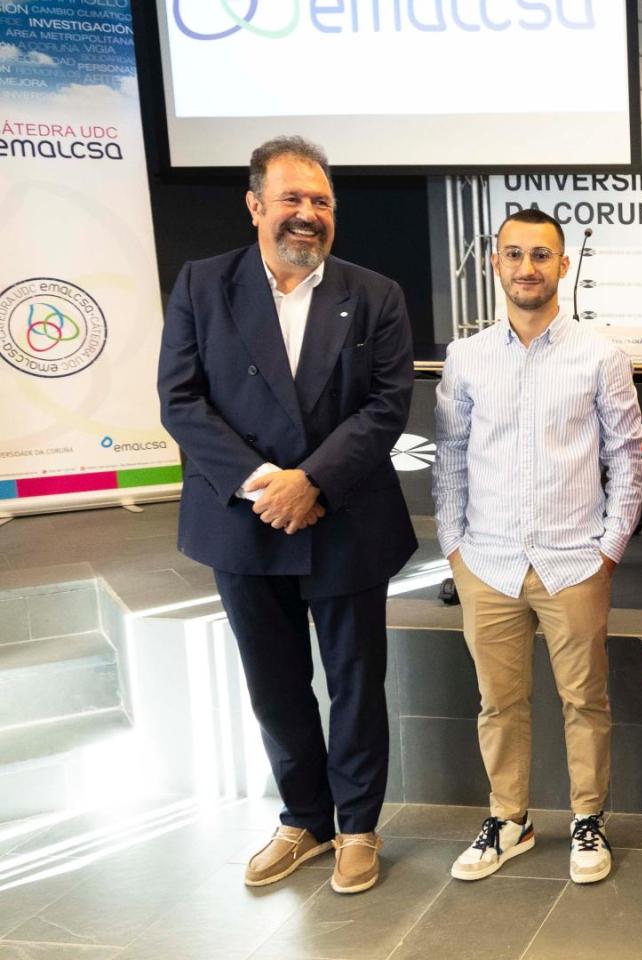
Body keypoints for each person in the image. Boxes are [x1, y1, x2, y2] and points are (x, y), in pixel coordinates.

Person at [157, 135, 416, 895]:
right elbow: (181, 399)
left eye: (321, 201)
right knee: (274, 684)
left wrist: (313, 482)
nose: (307, 214)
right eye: (291, 199)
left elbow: (386, 406)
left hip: (346, 518)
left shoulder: (376, 294)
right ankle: (305, 820)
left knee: (356, 682)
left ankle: (358, 826)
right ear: (255, 206)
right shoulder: (203, 283)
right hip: (243, 521)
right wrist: (264, 483)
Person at [432, 208, 642, 885]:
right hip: (487, 562)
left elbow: (627, 457)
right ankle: (510, 820)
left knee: (585, 701)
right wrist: (453, 547)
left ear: (563, 265)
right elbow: (450, 455)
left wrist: (610, 547)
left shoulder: (601, 356)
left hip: (574, 561)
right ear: (496, 263)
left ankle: (588, 819)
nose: (528, 268)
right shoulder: (466, 358)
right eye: (515, 254)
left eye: (542, 255)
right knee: (498, 703)